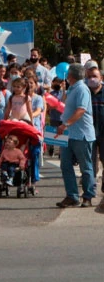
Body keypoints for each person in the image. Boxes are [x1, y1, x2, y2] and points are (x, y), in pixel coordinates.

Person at [56, 63, 96, 208]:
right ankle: (72, 196)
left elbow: (81, 110)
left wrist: (65, 124)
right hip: (68, 134)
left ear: (70, 76)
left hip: (81, 134)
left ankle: (88, 196)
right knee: (65, 165)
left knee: (85, 167)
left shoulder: (82, 89)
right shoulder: (72, 88)